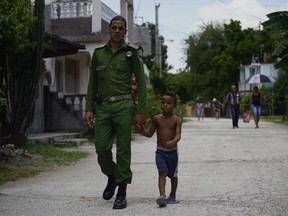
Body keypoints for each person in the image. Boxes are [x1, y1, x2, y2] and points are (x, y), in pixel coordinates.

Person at [85, 15, 147, 210]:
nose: (117, 31)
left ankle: (122, 191)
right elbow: (92, 82)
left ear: (125, 31)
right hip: (103, 107)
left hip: (124, 105)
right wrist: (88, 108)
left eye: (121, 28)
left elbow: (142, 83)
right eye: (114, 28)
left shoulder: (131, 53)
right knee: (101, 148)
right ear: (109, 30)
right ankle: (112, 176)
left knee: (123, 150)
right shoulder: (98, 54)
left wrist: (141, 111)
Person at [139, 92, 182, 207]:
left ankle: (172, 195)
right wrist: (142, 131)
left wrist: (173, 141)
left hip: (173, 153)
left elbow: (178, 135)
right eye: (163, 102)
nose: (165, 105)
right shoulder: (156, 119)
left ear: (175, 105)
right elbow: (149, 133)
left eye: (168, 103)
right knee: (162, 172)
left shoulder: (177, 120)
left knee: (173, 175)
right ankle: (162, 196)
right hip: (160, 152)